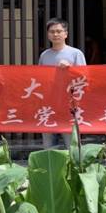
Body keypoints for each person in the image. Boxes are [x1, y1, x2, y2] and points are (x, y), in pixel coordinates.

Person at [38, 18, 86, 149]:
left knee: (72, 146)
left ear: (66, 34)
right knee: (48, 146)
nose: (55, 34)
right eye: (52, 31)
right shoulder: (44, 55)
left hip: (69, 105)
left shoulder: (76, 53)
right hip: (49, 105)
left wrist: (70, 68)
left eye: (59, 31)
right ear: (48, 35)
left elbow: (84, 77)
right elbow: (40, 79)